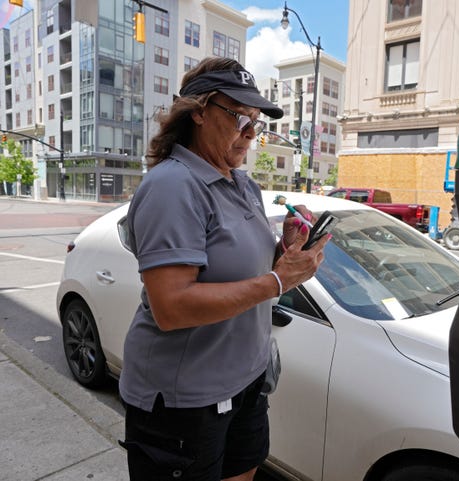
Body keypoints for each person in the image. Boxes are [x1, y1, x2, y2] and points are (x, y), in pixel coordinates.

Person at [118, 57, 330, 481]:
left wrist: (285, 250)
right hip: (185, 403)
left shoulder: (241, 183)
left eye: (256, 121)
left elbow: (243, 268)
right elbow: (171, 307)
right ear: (198, 111)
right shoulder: (173, 186)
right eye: (239, 117)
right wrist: (277, 281)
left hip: (246, 383)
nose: (251, 133)